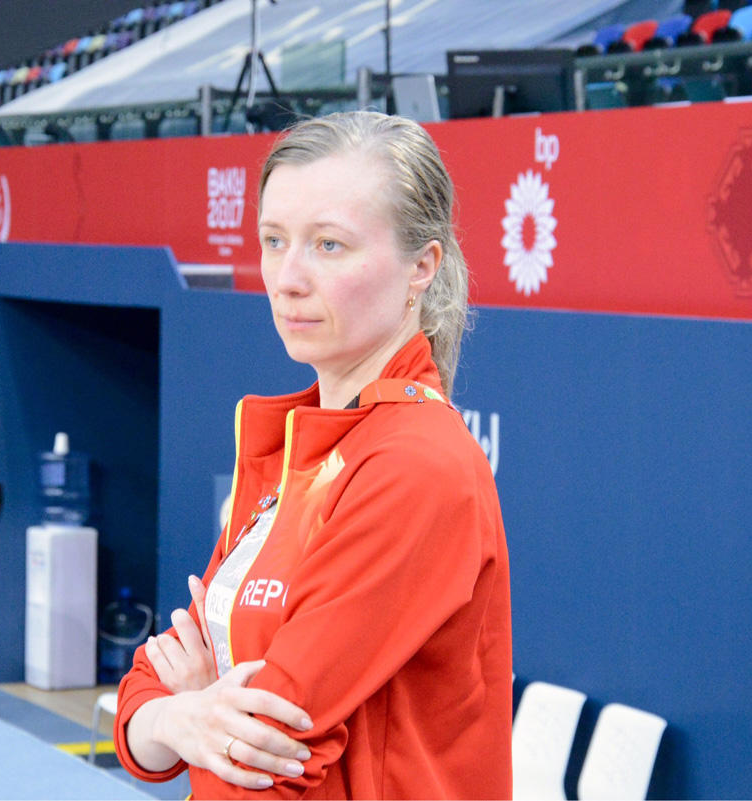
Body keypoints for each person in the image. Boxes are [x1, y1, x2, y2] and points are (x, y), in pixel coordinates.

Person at [115, 111, 512, 799]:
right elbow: (149, 689)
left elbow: (267, 752)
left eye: (329, 246)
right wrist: (186, 716)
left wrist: (198, 716)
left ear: (423, 265)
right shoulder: (304, 447)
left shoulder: (414, 467)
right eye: (275, 240)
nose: (287, 277)